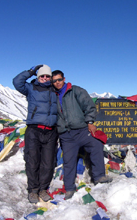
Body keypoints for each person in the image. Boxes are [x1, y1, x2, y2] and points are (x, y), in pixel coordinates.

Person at [51, 70, 112, 200]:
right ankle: (69, 188)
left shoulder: (76, 91)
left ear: (64, 79)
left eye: (59, 79)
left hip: (82, 130)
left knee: (96, 145)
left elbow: (89, 107)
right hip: (66, 135)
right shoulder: (51, 95)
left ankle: (99, 176)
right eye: (54, 81)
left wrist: (90, 122)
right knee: (68, 160)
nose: (57, 83)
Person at [13, 65, 58, 204]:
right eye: (42, 75)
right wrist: (30, 71)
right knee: (32, 161)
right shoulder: (30, 88)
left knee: (48, 163)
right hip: (34, 130)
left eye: (47, 76)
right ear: (38, 77)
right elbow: (17, 82)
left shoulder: (55, 90)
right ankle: (33, 190)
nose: (44, 78)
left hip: (51, 131)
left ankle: (43, 189)